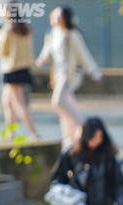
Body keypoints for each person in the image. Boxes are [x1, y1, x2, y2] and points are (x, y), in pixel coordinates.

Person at [36, 5, 102, 146]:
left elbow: (84, 54)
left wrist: (94, 71)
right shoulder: (52, 33)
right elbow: (47, 51)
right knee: (65, 107)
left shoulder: (72, 35)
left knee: (58, 101)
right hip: (57, 74)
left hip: (68, 75)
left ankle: (85, 126)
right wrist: (41, 59)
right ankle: (69, 137)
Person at [0, 14, 40, 140]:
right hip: (23, 67)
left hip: (12, 68)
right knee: (7, 101)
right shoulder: (25, 28)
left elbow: (0, 51)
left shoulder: (8, 29)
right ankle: (10, 133)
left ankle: (33, 133)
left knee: (19, 102)